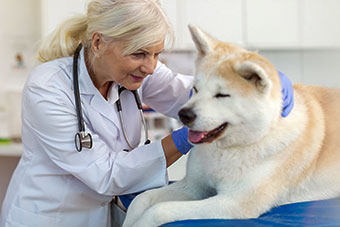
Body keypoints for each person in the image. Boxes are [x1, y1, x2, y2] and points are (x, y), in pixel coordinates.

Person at [0, 0, 294, 226]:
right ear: (99, 42)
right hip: (52, 218)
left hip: (111, 216)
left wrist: (252, 87)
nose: (151, 67)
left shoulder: (140, 74)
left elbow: (194, 95)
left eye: (157, 54)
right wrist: (185, 138)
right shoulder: (48, 87)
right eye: (139, 54)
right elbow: (105, 174)